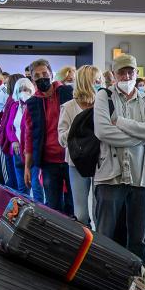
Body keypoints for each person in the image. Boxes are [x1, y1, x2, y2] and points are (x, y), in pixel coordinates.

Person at [93, 55, 145, 261]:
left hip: (141, 178)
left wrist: (121, 122)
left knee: (138, 239)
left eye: (130, 72)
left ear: (136, 73)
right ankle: (103, 279)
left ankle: (140, 283)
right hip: (110, 177)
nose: (126, 76)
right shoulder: (103, 97)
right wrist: (141, 136)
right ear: (114, 75)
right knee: (105, 235)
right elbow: (104, 132)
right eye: (121, 72)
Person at [24, 59, 73, 212]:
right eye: (37, 76)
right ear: (32, 80)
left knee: (76, 207)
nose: (42, 78)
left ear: (51, 74)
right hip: (48, 162)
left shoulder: (68, 92)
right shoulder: (32, 103)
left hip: (72, 159)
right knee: (53, 208)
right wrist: (27, 166)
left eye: (45, 74)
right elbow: (29, 136)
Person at [58, 65, 102, 227]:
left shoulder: (103, 105)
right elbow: (62, 139)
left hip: (101, 162)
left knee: (99, 212)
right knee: (81, 214)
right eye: (95, 81)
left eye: (100, 80)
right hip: (77, 163)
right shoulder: (69, 107)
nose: (98, 84)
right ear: (85, 82)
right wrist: (78, 128)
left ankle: (99, 248)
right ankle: (85, 245)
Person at [4, 77, 36, 196]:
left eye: (26, 89)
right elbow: (9, 127)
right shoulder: (14, 106)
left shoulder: (34, 107)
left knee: (36, 188)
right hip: (17, 152)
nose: (24, 92)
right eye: (21, 89)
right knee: (21, 188)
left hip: (31, 152)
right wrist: (14, 141)